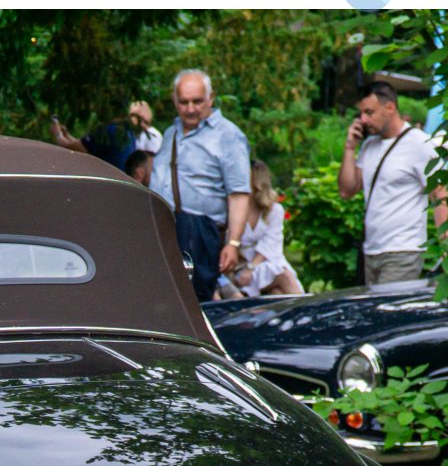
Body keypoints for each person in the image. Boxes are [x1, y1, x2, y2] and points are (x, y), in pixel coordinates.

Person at [150, 69, 251, 303]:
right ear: (175, 101)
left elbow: (238, 194)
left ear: (211, 98)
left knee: (195, 304)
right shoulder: (170, 132)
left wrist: (233, 243)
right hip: (165, 229)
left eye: (197, 101)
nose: (191, 109)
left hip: (200, 232)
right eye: (184, 102)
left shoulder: (228, 135)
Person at [338, 81, 448, 284]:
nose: (363, 120)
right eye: (361, 113)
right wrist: (349, 148)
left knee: (387, 313)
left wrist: (446, 246)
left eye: (369, 112)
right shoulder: (369, 145)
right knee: (373, 313)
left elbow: (440, 193)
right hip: (371, 250)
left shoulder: (418, 143)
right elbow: (347, 190)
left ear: (390, 108)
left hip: (402, 251)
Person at [223, 161, 303, 297]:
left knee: (278, 289)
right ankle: (305, 311)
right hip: (241, 268)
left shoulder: (274, 210)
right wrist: (245, 269)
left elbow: (271, 243)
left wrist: (251, 268)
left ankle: (303, 310)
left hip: (265, 262)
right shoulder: (233, 208)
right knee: (283, 278)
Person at [48, 111, 140, 172]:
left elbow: (74, 148)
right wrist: (66, 134)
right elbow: (83, 145)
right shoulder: (127, 133)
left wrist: (57, 134)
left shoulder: (107, 132)